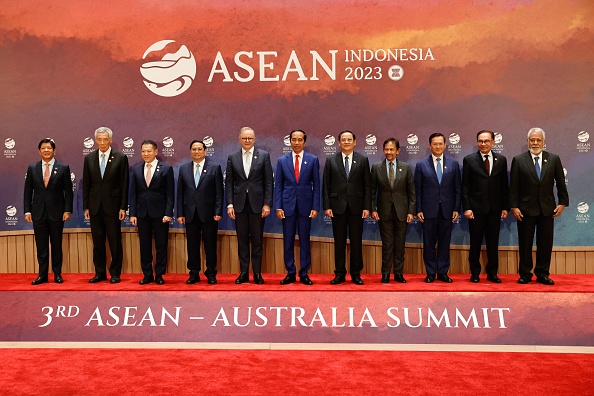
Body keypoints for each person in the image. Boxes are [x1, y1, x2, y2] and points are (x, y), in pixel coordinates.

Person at [510, 127, 568, 285]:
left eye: (538, 140)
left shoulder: (554, 159)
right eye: (532, 140)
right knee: (525, 243)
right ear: (527, 141)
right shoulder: (519, 160)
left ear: (544, 141)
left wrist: (563, 202)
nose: (535, 143)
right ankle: (525, 274)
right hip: (525, 210)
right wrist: (514, 206)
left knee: (545, 243)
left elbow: (561, 183)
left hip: (547, 209)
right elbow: (514, 186)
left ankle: (542, 273)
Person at [322, 130, 371, 285]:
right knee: (339, 242)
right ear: (339, 142)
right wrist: (327, 206)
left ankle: (356, 274)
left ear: (354, 142)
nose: (347, 142)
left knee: (356, 242)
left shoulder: (362, 160)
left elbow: (367, 186)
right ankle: (340, 273)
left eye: (349, 139)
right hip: (337, 208)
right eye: (343, 139)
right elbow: (326, 186)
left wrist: (367, 206)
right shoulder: (331, 160)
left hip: (357, 207)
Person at [226, 127, 273, 284]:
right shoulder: (232, 157)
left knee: (257, 241)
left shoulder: (264, 156)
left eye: (250, 138)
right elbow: (229, 183)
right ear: (239, 139)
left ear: (254, 139)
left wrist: (267, 204)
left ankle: (258, 274)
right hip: (239, 206)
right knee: (242, 240)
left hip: (258, 206)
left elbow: (268, 182)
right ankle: (244, 273)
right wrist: (230, 204)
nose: (247, 141)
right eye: (244, 138)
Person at [83, 127, 129, 284]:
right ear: (96, 140)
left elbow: (124, 184)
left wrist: (123, 206)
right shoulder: (89, 158)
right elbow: (87, 185)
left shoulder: (120, 157)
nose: (102, 142)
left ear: (110, 140)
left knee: (115, 241)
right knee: (97, 242)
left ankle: (115, 273)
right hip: (95, 207)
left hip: (114, 207)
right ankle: (100, 273)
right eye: (99, 139)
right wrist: (86, 207)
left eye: (105, 139)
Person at [24, 138, 73, 285]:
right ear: (39, 151)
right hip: (38, 213)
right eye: (43, 148)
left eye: (49, 148)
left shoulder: (63, 168)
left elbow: (68, 192)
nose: (46, 150)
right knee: (41, 246)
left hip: (57, 212)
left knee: (57, 244)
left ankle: (57, 274)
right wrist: (27, 211)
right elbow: (28, 191)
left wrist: (67, 210)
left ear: (54, 150)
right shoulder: (32, 168)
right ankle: (42, 275)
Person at [274, 129, 320, 286]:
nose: (297, 142)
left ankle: (304, 273)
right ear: (290, 141)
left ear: (304, 142)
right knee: (288, 241)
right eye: (294, 139)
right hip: (287, 206)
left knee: (305, 240)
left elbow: (317, 185)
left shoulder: (312, 160)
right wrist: (278, 206)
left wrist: (315, 206)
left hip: (306, 206)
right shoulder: (282, 160)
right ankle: (290, 272)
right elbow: (278, 186)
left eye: (300, 139)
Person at [462, 130, 509, 283]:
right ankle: (475, 273)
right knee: (475, 243)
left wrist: (504, 207)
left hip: (495, 210)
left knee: (493, 243)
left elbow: (504, 186)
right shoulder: (469, 160)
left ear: (493, 142)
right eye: (481, 141)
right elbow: (465, 186)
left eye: (487, 141)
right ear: (477, 142)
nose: (483, 144)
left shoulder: (501, 160)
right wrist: (467, 207)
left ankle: (492, 273)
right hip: (475, 210)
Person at [414, 132, 461, 283]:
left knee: (444, 243)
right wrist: (419, 209)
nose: (438, 146)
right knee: (428, 244)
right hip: (428, 211)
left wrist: (456, 208)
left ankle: (442, 272)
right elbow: (418, 190)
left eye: (441, 143)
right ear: (430, 145)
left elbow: (457, 189)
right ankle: (430, 273)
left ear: (445, 145)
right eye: (435, 144)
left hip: (447, 211)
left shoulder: (454, 164)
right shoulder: (421, 165)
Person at [177, 140, 224, 284]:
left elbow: (219, 193)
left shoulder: (214, 168)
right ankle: (194, 273)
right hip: (190, 213)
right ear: (190, 151)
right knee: (192, 245)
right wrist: (180, 213)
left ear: (205, 151)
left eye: (199, 149)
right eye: (194, 149)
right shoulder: (184, 169)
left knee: (210, 244)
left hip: (209, 214)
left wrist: (218, 211)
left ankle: (211, 273)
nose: (196, 152)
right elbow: (180, 193)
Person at [129, 140, 174, 285]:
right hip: (142, 214)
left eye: (148, 151)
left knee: (161, 245)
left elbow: (170, 194)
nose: (145, 154)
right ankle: (147, 274)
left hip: (161, 214)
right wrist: (133, 214)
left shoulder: (166, 169)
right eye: (143, 151)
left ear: (156, 152)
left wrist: (168, 213)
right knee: (145, 245)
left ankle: (159, 274)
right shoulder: (136, 169)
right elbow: (134, 193)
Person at [371, 138, 415, 284]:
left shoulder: (406, 168)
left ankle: (398, 274)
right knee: (387, 245)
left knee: (400, 245)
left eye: (391, 149)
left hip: (402, 211)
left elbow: (411, 192)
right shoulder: (376, 167)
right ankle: (385, 274)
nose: (388, 152)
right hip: (383, 212)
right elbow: (371, 191)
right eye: (386, 149)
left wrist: (411, 211)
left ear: (398, 151)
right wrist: (373, 208)